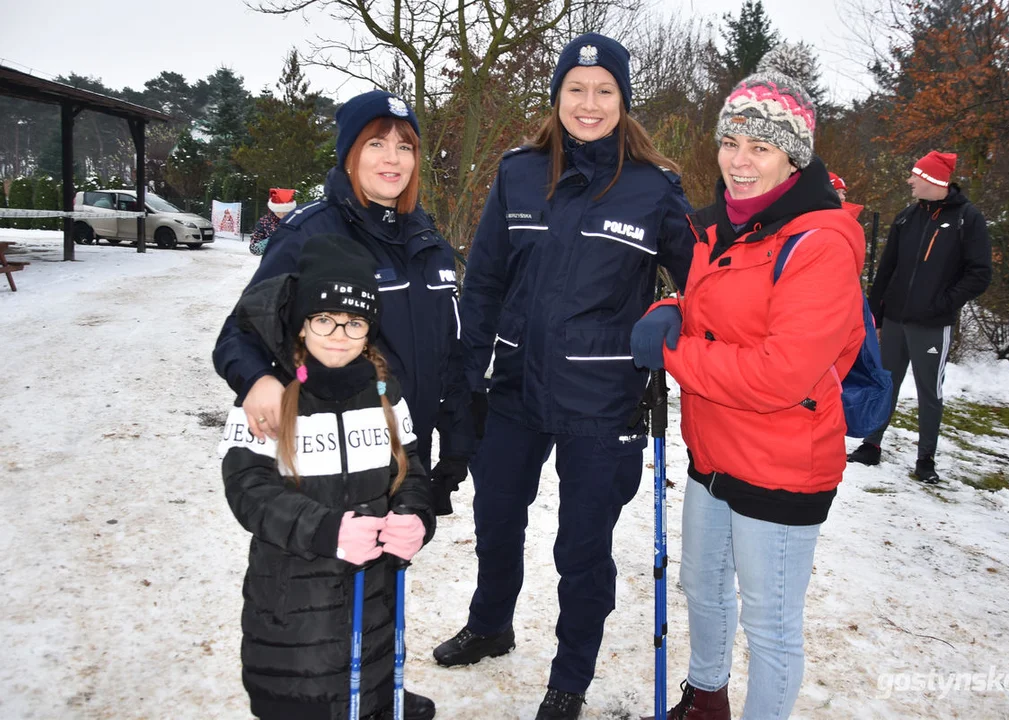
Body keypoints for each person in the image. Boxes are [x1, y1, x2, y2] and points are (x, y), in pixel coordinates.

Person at [434, 33, 695, 720]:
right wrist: (468, 372)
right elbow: (485, 277)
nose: (588, 103)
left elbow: (700, 280)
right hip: (515, 384)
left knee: (581, 548)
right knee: (495, 517)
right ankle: (490, 623)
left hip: (600, 398)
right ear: (556, 98)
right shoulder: (519, 173)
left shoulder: (653, 188)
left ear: (622, 101)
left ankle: (569, 678)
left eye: (603, 91)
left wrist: (669, 309)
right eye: (575, 90)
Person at [630, 45, 867, 719]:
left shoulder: (817, 242)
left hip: (782, 462)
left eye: (759, 146)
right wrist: (670, 307)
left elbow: (778, 373)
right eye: (729, 142)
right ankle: (705, 700)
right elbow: (717, 313)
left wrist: (672, 353)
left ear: (793, 157)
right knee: (702, 588)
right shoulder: (722, 228)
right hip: (713, 451)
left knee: (768, 624)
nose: (738, 160)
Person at [213, 90, 472, 529]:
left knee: (384, 592)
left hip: (408, 458)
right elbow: (240, 333)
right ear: (349, 154)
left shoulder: (429, 243)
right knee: (319, 589)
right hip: (331, 466)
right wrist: (258, 379)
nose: (393, 158)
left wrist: (455, 445)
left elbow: (450, 353)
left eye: (404, 146)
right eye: (376, 143)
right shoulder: (309, 234)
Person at [219, 235, 436, 720]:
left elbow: (410, 469)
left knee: (369, 678)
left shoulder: (384, 392)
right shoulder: (270, 398)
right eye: (324, 319)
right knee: (304, 701)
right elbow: (248, 489)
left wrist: (414, 513)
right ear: (302, 326)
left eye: (354, 321)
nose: (339, 333)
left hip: (372, 591)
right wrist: (324, 530)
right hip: (292, 604)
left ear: (369, 330)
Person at [847, 151, 992, 483]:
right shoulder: (905, 218)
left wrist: (942, 304)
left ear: (933, 181)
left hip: (932, 325)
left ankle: (926, 458)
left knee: (930, 391)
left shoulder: (967, 219)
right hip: (895, 321)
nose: (910, 181)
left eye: (916, 176)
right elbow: (886, 272)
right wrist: (876, 317)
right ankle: (871, 444)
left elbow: (980, 274)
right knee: (885, 383)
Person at [249, 187, 297, 256]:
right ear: (273, 209)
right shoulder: (264, 222)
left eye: (286, 212)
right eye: (278, 212)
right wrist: (272, 240)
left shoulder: (297, 219)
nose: (282, 215)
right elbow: (254, 249)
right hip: (273, 261)